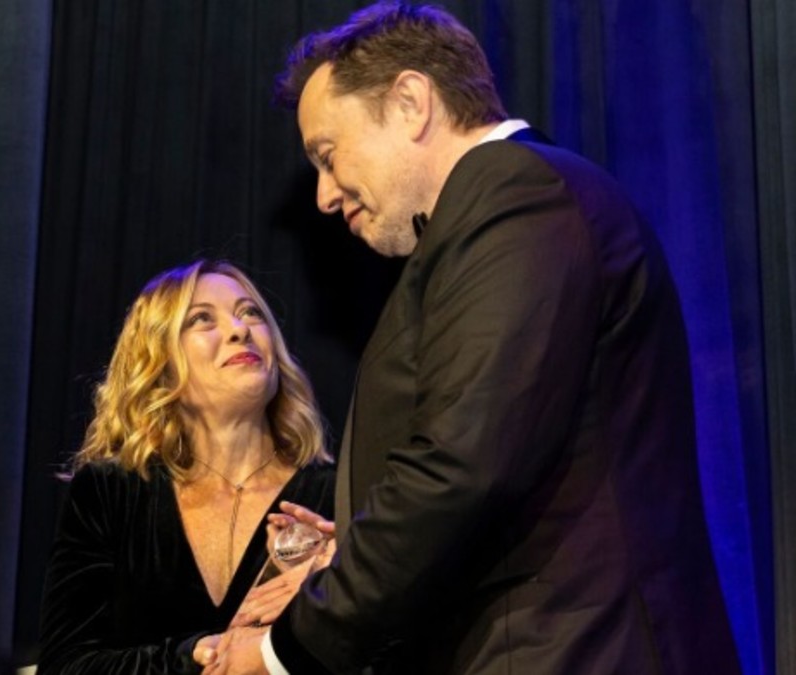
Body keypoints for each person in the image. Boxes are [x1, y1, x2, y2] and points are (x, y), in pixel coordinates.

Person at [201, 2, 741, 674]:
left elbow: (462, 467)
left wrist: (284, 648)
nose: (324, 195)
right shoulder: (504, 207)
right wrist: (354, 553)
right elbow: (511, 461)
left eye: (328, 155)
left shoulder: (511, 191)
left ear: (409, 102)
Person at [37, 259, 336, 674]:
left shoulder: (337, 495)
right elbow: (65, 666)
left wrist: (342, 586)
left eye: (251, 313)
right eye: (201, 319)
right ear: (158, 362)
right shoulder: (111, 491)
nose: (239, 329)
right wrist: (194, 656)